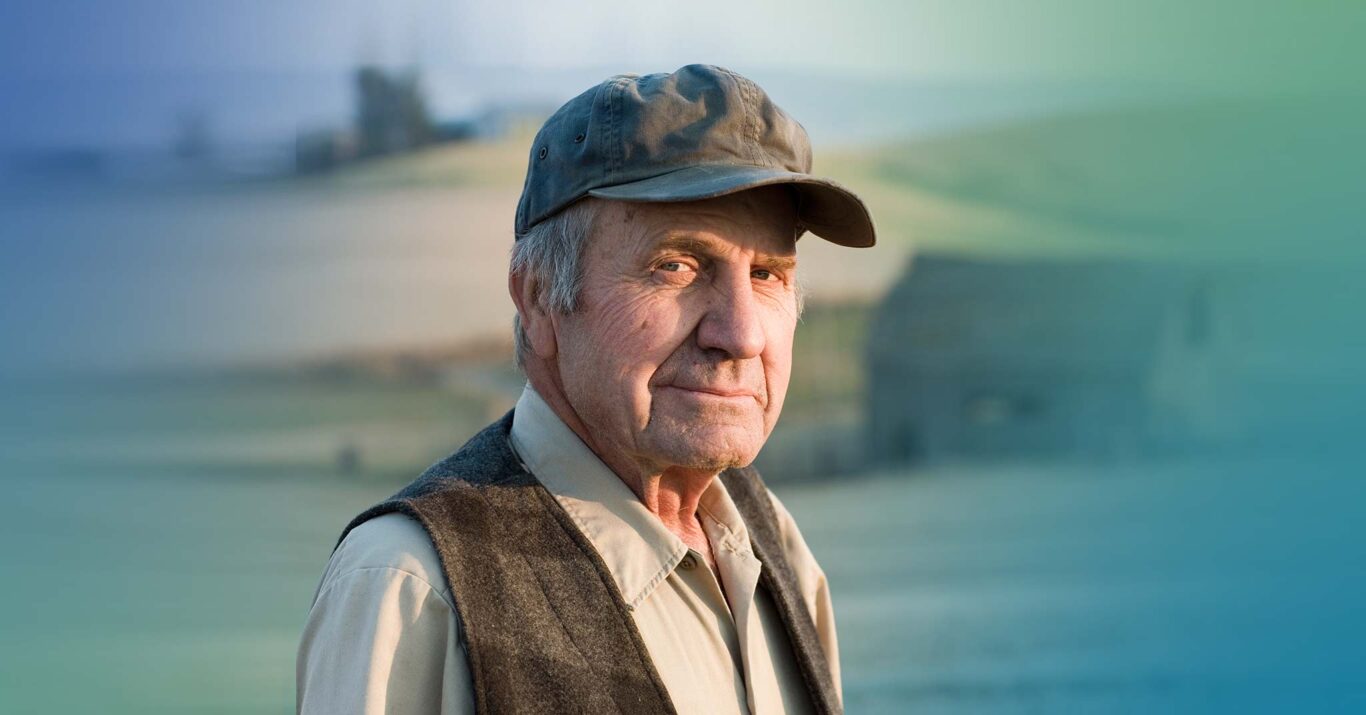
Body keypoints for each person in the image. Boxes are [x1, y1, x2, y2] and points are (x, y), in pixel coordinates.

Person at [297, 64, 875, 715]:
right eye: (677, 265)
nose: (740, 335)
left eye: (768, 274)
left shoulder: (773, 547)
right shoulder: (414, 587)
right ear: (541, 300)